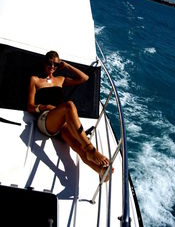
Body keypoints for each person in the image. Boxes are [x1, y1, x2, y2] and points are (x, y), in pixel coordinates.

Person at [27, 50, 112, 181]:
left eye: (56, 64)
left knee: (76, 145)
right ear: (45, 63)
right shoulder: (36, 80)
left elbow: (84, 78)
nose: (52, 67)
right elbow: (30, 106)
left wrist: (66, 66)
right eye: (50, 63)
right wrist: (43, 107)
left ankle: (100, 170)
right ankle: (90, 149)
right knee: (69, 105)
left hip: (62, 122)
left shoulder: (60, 79)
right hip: (46, 119)